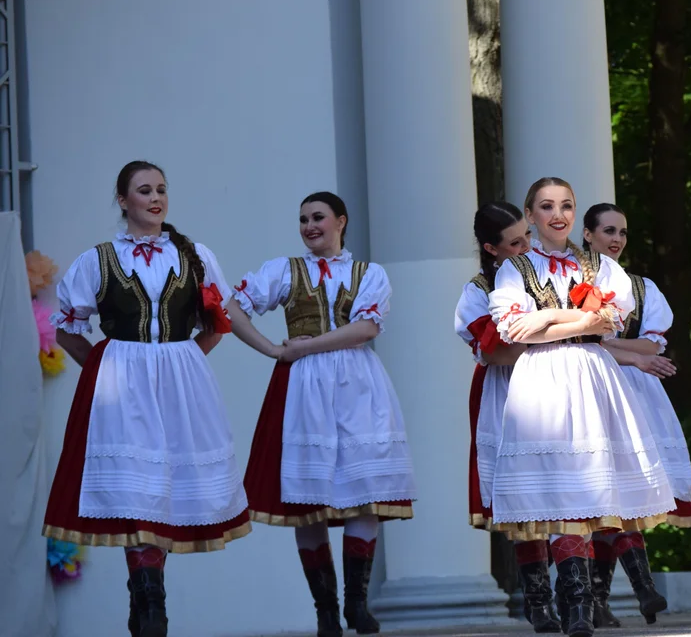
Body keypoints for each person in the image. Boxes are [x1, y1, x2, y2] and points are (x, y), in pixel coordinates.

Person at [42, 160, 250, 637]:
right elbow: (70, 330)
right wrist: (107, 370)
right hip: (121, 384)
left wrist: (184, 362)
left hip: (180, 382)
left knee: (165, 491)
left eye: (161, 189)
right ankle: (152, 603)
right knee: (136, 492)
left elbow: (218, 323)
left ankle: (145, 605)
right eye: (143, 190)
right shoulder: (98, 259)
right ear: (122, 200)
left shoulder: (194, 255)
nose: (155, 198)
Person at [488, 177, 676, 637]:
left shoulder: (600, 266)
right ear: (530, 215)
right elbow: (513, 331)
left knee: (589, 491)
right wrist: (573, 319)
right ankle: (573, 604)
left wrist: (546, 317)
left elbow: (610, 320)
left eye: (567, 205)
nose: (559, 214)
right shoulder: (515, 269)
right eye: (547, 206)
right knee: (559, 491)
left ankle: (581, 611)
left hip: (591, 374)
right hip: (541, 380)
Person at [227, 191, 416, 637]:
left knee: (364, 491)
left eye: (318, 217)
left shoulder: (370, 273)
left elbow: (367, 327)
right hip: (303, 387)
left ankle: (356, 604)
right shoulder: (284, 270)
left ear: (341, 221)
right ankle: (326, 611)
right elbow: (229, 308)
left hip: (357, 383)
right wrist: (272, 349)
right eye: (303, 219)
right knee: (307, 501)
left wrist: (302, 347)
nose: (310, 226)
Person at [580, 202, 691, 627]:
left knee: (629, 490)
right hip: (586, 389)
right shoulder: (570, 284)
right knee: (599, 493)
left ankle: (614, 595)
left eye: (623, 232)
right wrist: (614, 352)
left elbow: (653, 345)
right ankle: (613, 594)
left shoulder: (642, 288)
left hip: (635, 394)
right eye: (608, 231)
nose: (616, 239)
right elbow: (579, 342)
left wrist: (606, 348)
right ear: (588, 235)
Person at [453, 202, 559, 632]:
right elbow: (495, 350)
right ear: (491, 248)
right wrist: (556, 334)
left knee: (566, 482)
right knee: (524, 492)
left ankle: (578, 595)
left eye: (528, 238)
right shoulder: (478, 290)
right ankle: (538, 599)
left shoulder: (549, 274)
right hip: (509, 392)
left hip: (557, 384)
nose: (526, 247)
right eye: (515, 242)